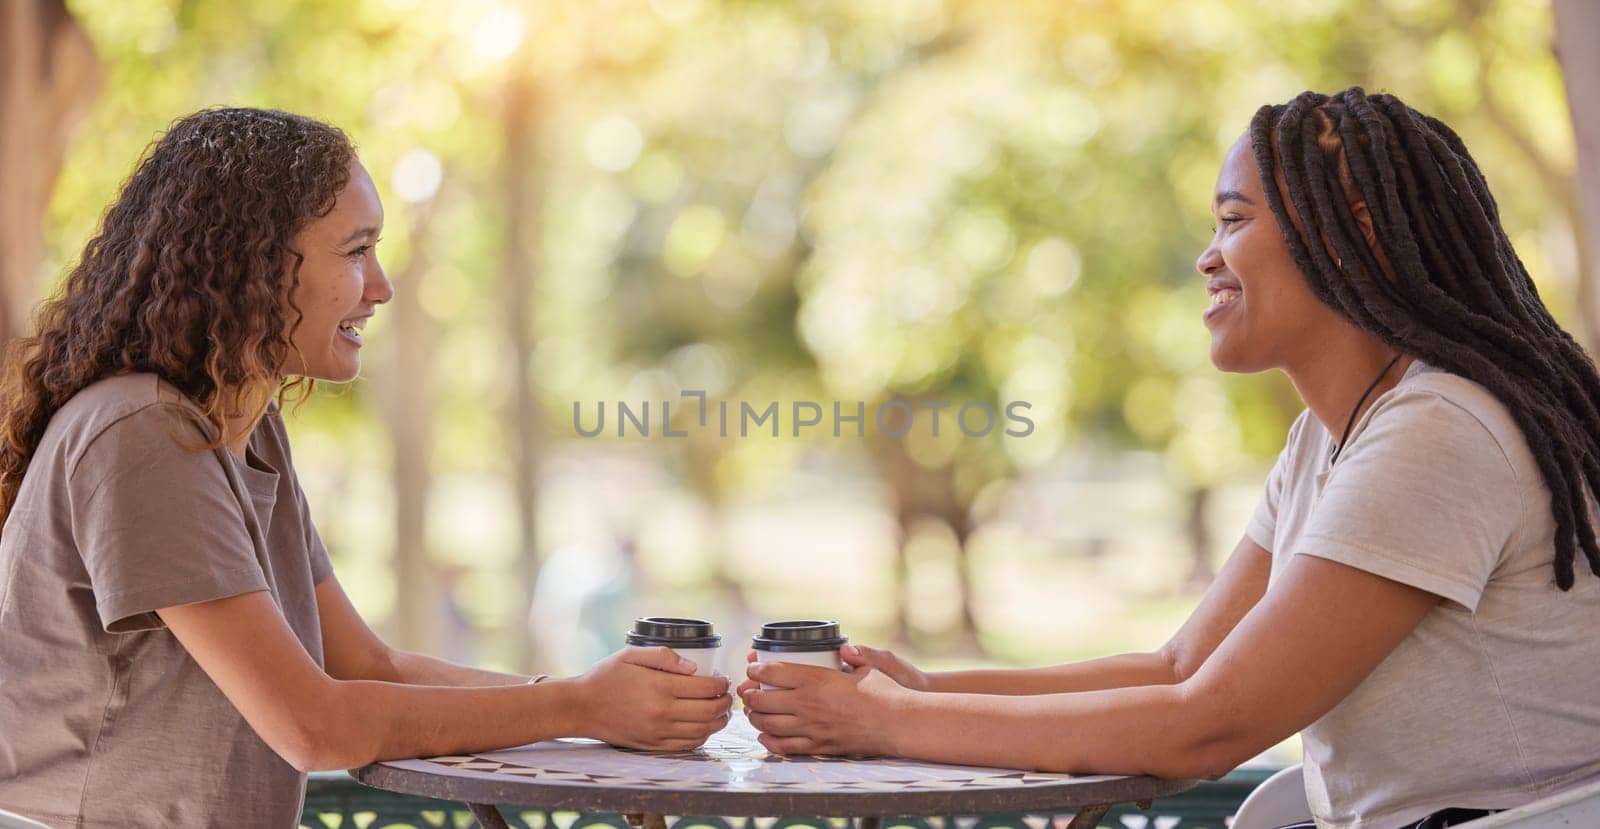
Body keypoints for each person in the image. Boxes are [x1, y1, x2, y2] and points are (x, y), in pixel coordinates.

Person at [738, 87, 1600, 829]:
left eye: (1233, 220)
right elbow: (1180, 667)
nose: (1206, 255)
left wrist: (882, 726)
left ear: (1351, 233)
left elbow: (1207, 724)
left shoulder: (1439, 429)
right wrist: (920, 692)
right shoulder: (1333, 438)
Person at [0, 108, 731, 828]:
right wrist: (577, 706)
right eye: (356, 251)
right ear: (253, 262)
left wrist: (591, 704)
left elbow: (364, 663)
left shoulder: (246, 428)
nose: (380, 287)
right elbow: (313, 724)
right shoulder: (142, 434)